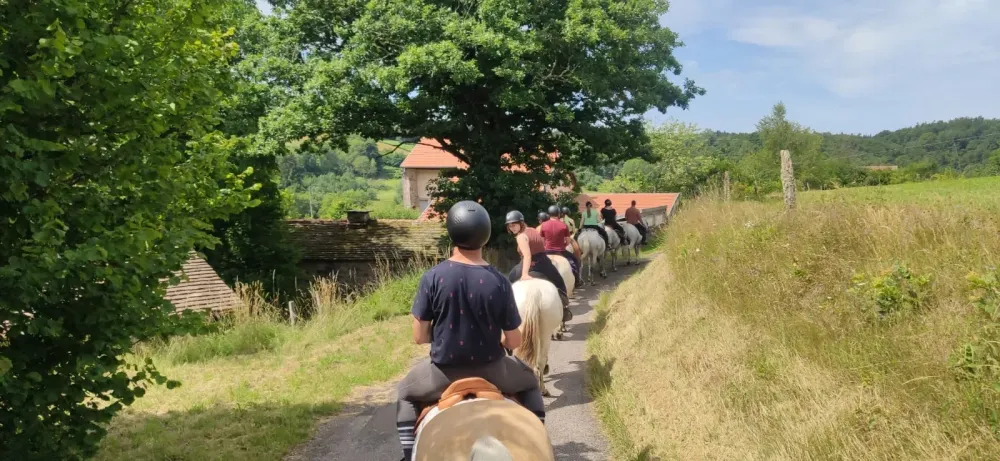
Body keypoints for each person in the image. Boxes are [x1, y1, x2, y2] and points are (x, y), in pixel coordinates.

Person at [395, 201, 546, 461]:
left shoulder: (432, 277)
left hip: (442, 373)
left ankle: (409, 454)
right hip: (494, 369)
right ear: (485, 236)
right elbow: (514, 339)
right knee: (531, 382)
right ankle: (539, 440)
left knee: (405, 393)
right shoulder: (499, 280)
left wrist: (444, 333)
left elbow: (419, 336)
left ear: (452, 233)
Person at [505, 210, 572, 319]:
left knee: (511, 278)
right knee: (559, 282)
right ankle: (565, 308)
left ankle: (507, 309)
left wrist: (525, 274)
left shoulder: (521, 237)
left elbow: (527, 256)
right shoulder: (533, 229)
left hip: (531, 264)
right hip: (544, 262)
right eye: (510, 226)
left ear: (521, 223)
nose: (512, 228)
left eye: (514, 225)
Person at [541, 205, 582, 287]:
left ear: (549, 214)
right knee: (574, 261)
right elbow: (567, 241)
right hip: (561, 251)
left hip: (547, 251)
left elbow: (542, 241)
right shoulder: (563, 225)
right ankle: (577, 280)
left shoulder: (543, 225)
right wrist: (562, 244)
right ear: (559, 214)